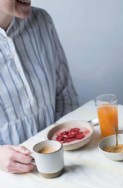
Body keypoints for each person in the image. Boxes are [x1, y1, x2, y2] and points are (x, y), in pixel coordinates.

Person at [0, 0, 79, 173]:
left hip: (61, 159)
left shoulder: (41, 21)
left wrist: (69, 140)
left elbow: (65, 93)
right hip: (7, 177)